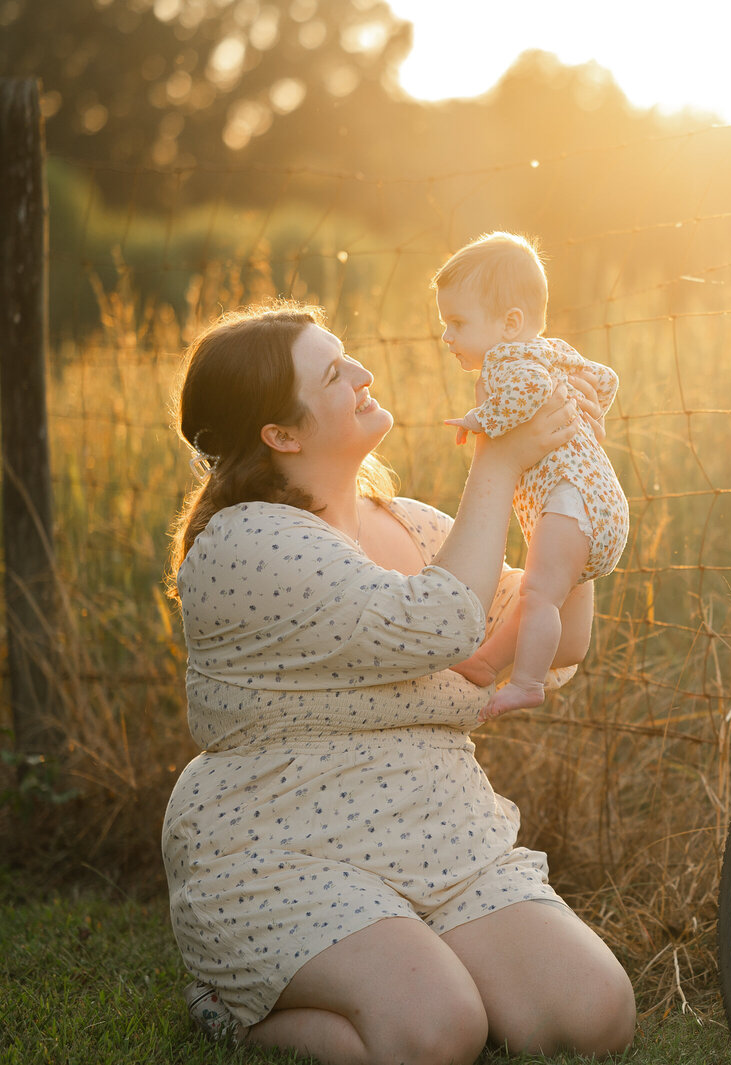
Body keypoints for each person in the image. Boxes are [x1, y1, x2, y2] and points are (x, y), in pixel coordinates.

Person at [161, 302, 635, 1064]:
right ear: (280, 434)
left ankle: (413, 967)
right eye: (333, 372)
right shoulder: (245, 544)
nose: (362, 374)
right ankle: (233, 1006)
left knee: (595, 1011)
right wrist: (500, 459)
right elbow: (442, 623)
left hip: (435, 828)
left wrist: (565, 496)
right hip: (286, 841)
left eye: (347, 356)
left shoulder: (413, 524)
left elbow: (559, 640)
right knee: (436, 1031)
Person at [433, 232, 629, 719]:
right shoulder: (551, 349)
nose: (447, 337)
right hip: (598, 502)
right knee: (548, 589)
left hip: (569, 501)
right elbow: (606, 377)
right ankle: (486, 665)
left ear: (510, 323)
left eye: (457, 322)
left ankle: (526, 682)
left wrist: (481, 419)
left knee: (538, 593)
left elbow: (527, 394)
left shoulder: (505, 361)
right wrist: (591, 411)